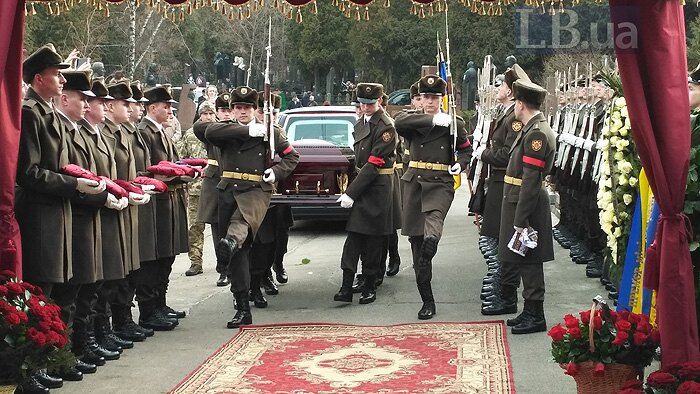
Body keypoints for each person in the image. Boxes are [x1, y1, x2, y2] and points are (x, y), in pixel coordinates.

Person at [202, 86, 299, 328]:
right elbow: (207, 130)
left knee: (241, 224)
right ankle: (242, 306)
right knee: (238, 254)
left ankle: (230, 242)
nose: (242, 111)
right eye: (238, 108)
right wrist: (247, 131)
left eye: (247, 107)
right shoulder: (227, 131)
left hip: (256, 190)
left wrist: (275, 172)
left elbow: (291, 156)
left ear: (256, 109)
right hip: (228, 191)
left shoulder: (270, 131)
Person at [394, 74, 472, 320]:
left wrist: (460, 164)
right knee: (417, 246)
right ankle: (427, 300)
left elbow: (465, 149)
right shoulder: (412, 120)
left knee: (434, 219)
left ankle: (433, 240)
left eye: (434, 97)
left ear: (442, 98)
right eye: (426, 97)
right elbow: (398, 122)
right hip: (415, 182)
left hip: (440, 182)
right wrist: (431, 120)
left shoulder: (454, 122)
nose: (429, 101)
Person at [486, 79, 556, 335]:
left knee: (530, 259)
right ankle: (529, 310)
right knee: (521, 257)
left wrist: (521, 217)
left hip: (526, 202)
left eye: (515, 102)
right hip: (518, 199)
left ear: (521, 103)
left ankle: (536, 314)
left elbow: (530, 179)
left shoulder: (536, 133)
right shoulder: (530, 129)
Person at [54, 70, 105, 383]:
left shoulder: (74, 130)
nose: (86, 105)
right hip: (72, 214)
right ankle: (64, 353)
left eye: (90, 100)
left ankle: (77, 346)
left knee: (84, 286)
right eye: (81, 98)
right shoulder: (63, 129)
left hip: (84, 214)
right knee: (68, 290)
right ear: (64, 98)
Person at [333, 83, 397, 305]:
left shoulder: (386, 126)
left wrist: (351, 193)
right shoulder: (362, 122)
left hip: (377, 187)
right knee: (353, 239)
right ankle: (346, 285)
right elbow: (358, 158)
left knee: (373, 240)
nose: (366, 107)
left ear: (379, 101)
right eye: (362, 103)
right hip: (362, 184)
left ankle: (370, 285)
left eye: (370, 103)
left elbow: (374, 163)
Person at [476, 65, 530, 312]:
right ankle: (502, 287)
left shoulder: (514, 120)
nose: (497, 89)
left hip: (505, 182)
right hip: (498, 182)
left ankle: (506, 292)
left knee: (504, 238)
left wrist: (483, 153)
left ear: (510, 91)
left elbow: (507, 154)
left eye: (500, 85)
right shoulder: (506, 114)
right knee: (497, 236)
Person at [136, 85, 190, 330]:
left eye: (170, 107)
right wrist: (175, 175)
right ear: (152, 107)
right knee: (154, 258)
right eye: (166, 106)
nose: (170, 111)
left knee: (167, 256)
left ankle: (160, 303)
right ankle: (149, 310)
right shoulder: (144, 131)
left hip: (169, 200)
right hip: (155, 203)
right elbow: (145, 170)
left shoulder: (162, 130)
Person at [177, 102, 215, 277]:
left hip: (216, 189)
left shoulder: (219, 133)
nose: (207, 116)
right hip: (195, 189)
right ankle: (195, 262)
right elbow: (181, 159)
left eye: (210, 113)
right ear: (200, 115)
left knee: (219, 227)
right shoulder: (191, 135)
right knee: (194, 227)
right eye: (204, 113)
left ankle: (224, 265)